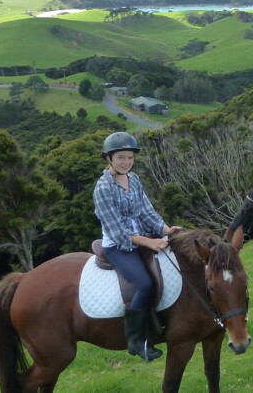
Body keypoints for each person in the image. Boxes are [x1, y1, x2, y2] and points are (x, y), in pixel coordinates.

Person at [94, 131, 182, 362]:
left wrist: (165, 229)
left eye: (130, 158)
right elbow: (118, 232)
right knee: (144, 282)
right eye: (121, 157)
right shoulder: (103, 188)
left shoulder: (134, 180)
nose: (126, 162)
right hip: (118, 246)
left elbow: (146, 211)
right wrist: (150, 242)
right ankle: (135, 340)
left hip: (142, 237)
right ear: (109, 158)